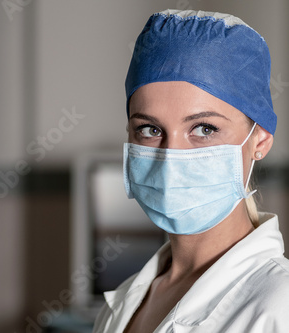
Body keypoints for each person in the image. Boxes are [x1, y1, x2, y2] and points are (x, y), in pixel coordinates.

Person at [93, 9, 289, 333]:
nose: (171, 158)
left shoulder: (278, 309)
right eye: (150, 130)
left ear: (260, 140)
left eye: (204, 129)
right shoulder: (127, 301)